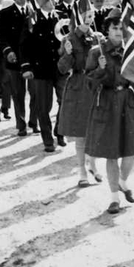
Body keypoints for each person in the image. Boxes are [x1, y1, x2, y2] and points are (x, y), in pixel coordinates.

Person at [86, 22, 134, 214]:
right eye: (114, 29)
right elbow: (89, 83)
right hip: (107, 101)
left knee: (131, 150)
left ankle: (122, 181)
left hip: (128, 101)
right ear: (108, 31)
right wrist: (101, 69)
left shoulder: (132, 50)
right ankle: (114, 198)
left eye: (121, 29)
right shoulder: (97, 52)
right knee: (111, 152)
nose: (118, 33)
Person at [58, 22, 104, 185]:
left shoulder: (98, 38)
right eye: (84, 14)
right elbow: (62, 69)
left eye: (90, 15)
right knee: (80, 133)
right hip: (78, 86)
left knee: (96, 130)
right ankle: (82, 172)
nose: (88, 18)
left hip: (95, 85)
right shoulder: (68, 39)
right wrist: (68, 54)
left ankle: (92, 165)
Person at [20, 3, 62, 153]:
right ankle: (48, 140)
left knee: (64, 101)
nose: (51, 1)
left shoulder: (60, 16)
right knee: (44, 106)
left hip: (60, 68)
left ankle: (60, 131)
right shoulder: (32, 19)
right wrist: (26, 67)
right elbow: (24, 46)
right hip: (41, 69)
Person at [0, 0, 34, 136]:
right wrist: (8, 51)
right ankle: (21, 124)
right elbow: (1, 35)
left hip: (32, 60)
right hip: (14, 60)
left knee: (35, 92)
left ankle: (34, 121)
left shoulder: (33, 12)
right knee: (18, 93)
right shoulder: (5, 13)